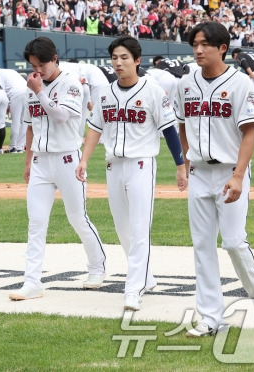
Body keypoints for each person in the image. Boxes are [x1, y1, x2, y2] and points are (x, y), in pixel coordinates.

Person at [77, 36, 187, 311]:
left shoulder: (153, 91)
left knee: (140, 229)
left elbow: (169, 130)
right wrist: (84, 160)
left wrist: (180, 165)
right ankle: (146, 278)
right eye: (114, 57)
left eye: (124, 57)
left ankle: (133, 288)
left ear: (137, 60)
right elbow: (94, 128)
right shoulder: (105, 93)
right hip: (113, 166)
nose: (118, 62)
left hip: (141, 165)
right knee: (122, 228)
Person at [176, 21, 254, 337]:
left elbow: (249, 131)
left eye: (205, 44)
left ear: (222, 48)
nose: (198, 50)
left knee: (232, 241)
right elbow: (181, 124)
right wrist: (184, 160)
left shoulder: (240, 83)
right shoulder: (186, 83)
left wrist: (239, 175)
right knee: (202, 246)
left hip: (231, 171)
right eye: (194, 44)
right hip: (200, 172)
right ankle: (210, 317)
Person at [8, 37, 106, 301]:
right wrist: (28, 161)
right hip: (41, 161)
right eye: (33, 65)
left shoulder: (71, 84)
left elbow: (61, 116)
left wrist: (39, 91)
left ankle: (97, 266)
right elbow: (30, 125)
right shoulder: (33, 86)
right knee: (36, 223)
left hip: (67, 159)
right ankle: (32, 282)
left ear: (55, 58)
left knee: (77, 217)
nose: (37, 70)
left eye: (41, 64)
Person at [0, 67, 28, 153]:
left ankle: (13, 146)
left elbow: (1, 89)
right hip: (27, 90)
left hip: (16, 93)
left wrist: (7, 105)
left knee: (16, 121)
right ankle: (20, 146)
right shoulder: (12, 71)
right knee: (24, 121)